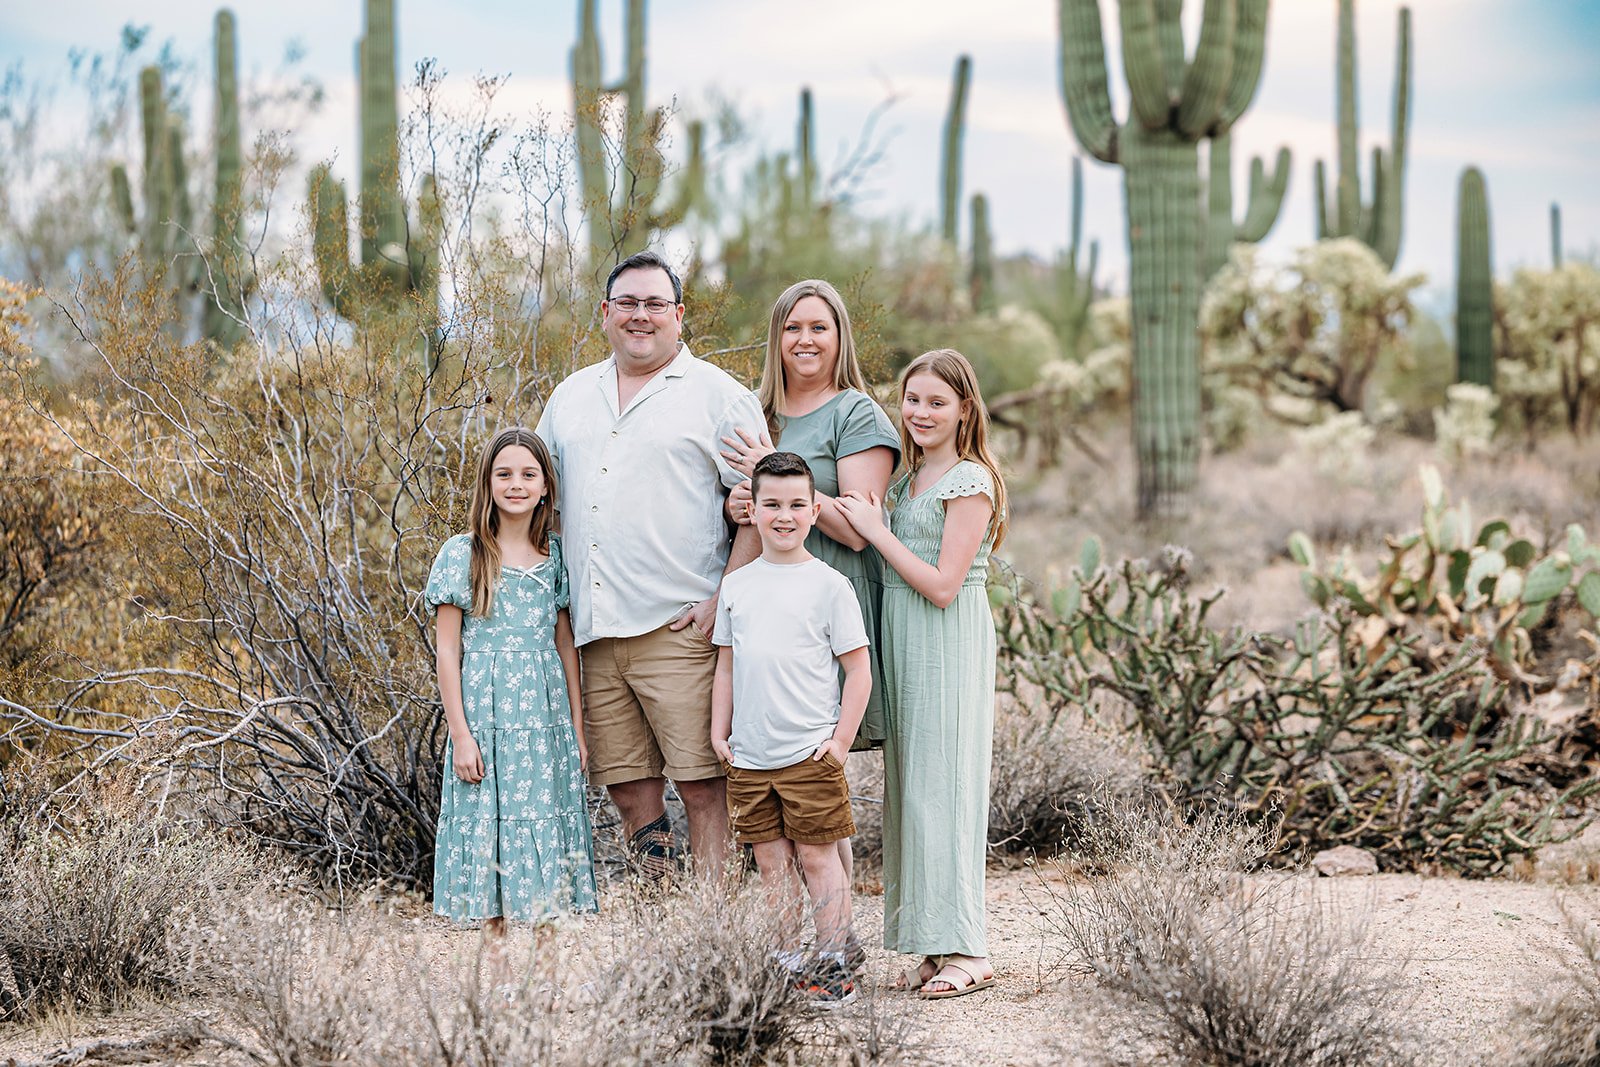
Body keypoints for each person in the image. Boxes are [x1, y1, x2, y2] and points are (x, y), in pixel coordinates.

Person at [535, 250, 763, 880]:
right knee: (630, 788)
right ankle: (664, 922)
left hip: (681, 627)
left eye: (655, 304)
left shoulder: (720, 397)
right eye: (628, 303)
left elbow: (759, 508)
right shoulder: (570, 398)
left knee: (702, 787)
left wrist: (725, 599)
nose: (641, 316)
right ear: (605, 313)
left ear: (679, 315)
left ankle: (712, 930)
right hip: (597, 630)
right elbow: (539, 499)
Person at [836, 349, 1009, 1000]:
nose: (921, 413)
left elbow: (942, 584)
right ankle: (933, 943)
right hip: (905, 641)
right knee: (915, 791)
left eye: (937, 401)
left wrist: (875, 531)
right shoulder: (909, 481)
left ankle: (970, 946)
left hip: (948, 639)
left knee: (948, 789)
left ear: (966, 406)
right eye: (912, 400)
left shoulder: (970, 481)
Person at [718, 279, 899, 887]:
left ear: (839, 337)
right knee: (773, 799)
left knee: (818, 790)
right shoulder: (756, 412)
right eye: (793, 327)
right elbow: (749, 514)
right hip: (761, 612)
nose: (805, 339)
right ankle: (795, 948)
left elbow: (857, 529)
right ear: (776, 338)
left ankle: (837, 946)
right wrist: (743, 504)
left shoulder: (855, 413)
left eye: (819, 327)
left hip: (826, 606)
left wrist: (776, 477)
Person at [710, 451, 871, 1005]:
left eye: (797, 504)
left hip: (809, 753)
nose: (784, 515)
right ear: (751, 510)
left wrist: (840, 742)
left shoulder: (829, 585)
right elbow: (726, 665)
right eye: (771, 504)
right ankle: (784, 961)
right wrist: (718, 733)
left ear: (813, 509)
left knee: (818, 857)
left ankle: (833, 963)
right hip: (751, 756)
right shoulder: (738, 586)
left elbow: (858, 671)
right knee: (771, 862)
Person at [426, 427, 597, 930]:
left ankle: (542, 981)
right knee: (490, 831)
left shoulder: (556, 559)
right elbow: (447, 649)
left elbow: (565, 646)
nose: (516, 484)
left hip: (544, 724)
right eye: (504, 474)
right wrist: (460, 734)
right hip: (486, 717)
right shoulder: (463, 554)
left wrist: (577, 729)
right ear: (488, 483)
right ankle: (498, 977)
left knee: (545, 833)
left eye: (528, 474)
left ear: (546, 486)